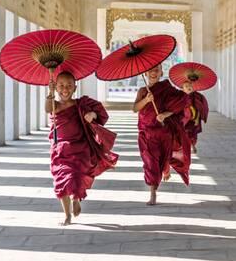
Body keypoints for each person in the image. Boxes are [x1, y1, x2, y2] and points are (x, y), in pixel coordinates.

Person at [46, 71, 118, 225]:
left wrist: (92, 114)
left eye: (69, 86)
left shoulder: (81, 104)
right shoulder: (55, 105)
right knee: (61, 181)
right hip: (61, 150)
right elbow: (47, 108)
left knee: (76, 178)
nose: (65, 89)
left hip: (80, 148)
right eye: (61, 86)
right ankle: (67, 215)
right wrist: (49, 93)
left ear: (75, 88)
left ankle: (76, 198)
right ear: (56, 87)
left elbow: (100, 113)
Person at [133, 64, 191, 205]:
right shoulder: (142, 91)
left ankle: (165, 167)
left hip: (164, 132)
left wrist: (165, 114)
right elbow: (135, 108)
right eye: (150, 70)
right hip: (147, 133)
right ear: (145, 73)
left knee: (162, 158)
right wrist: (146, 100)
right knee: (151, 162)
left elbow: (179, 104)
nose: (153, 72)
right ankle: (153, 193)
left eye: (156, 70)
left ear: (161, 72)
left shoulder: (167, 89)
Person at [181, 81, 209, 153]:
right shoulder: (181, 96)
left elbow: (199, 108)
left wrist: (197, 119)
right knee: (184, 134)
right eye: (186, 86)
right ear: (182, 89)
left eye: (190, 85)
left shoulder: (196, 96)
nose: (188, 87)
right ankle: (184, 147)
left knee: (193, 134)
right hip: (184, 119)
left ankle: (192, 145)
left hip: (194, 119)